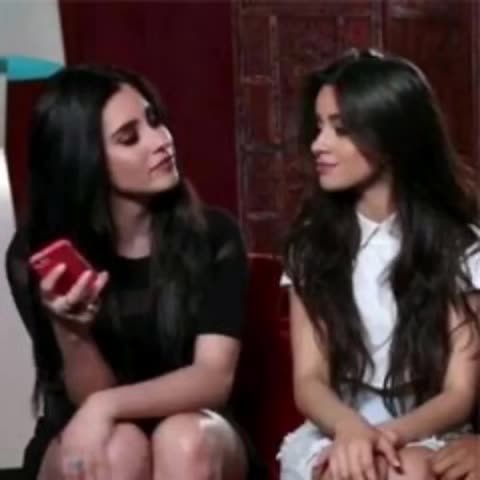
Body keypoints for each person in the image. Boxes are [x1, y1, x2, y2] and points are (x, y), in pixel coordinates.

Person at [6, 65, 261, 480]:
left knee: (183, 441)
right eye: (129, 137)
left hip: (197, 428)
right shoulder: (36, 254)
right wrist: (73, 332)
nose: (161, 141)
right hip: (86, 433)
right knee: (118, 449)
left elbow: (212, 378)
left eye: (154, 120)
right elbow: (87, 400)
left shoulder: (214, 235)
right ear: (84, 159)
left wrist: (105, 406)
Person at [277, 49, 480, 480]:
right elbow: (309, 380)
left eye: (340, 129)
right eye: (318, 127)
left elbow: (459, 393)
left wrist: (383, 437)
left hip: (427, 425)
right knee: (351, 469)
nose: (318, 145)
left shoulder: (458, 246)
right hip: (337, 423)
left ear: (390, 138)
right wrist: (352, 430)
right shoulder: (311, 245)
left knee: (408, 470)